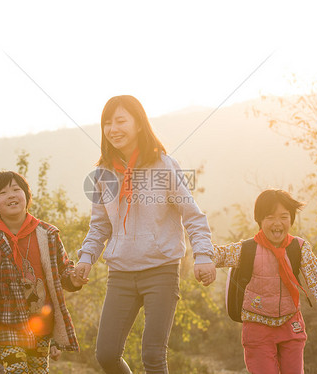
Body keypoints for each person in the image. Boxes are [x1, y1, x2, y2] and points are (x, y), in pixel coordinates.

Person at [74, 95, 216, 374]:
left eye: (120, 120)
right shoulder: (103, 174)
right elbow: (100, 225)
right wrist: (86, 257)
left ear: (139, 124)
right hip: (121, 273)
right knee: (106, 354)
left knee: (152, 355)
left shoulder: (164, 166)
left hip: (160, 271)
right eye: (107, 123)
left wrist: (203, 254)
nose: (113, 128)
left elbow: (193, 216)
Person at [212, 189, 317, 374]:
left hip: (290, 325)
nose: (277, 223)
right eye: (270, 217)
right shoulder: (246, 249)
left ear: (291, 219)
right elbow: (218, 255)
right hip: (257, 328)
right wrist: (201, 256)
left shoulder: (299, 248)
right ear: (260, 220)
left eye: (284, 217)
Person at [0, 171, 83, 374]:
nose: (11, 195)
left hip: (41, 324)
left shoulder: (47, 234)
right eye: (3, 192)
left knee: (38, 371)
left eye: (16, 189)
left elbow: (64, 270)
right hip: (6, 325)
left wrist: (73, 278)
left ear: (27, 197)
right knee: (17, 371)